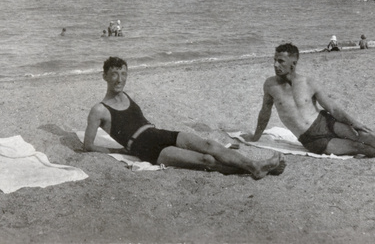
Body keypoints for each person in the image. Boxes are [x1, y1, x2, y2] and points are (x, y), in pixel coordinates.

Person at [83, 57, 286, 179]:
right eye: (114, 74)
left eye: (124, 74)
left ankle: (256, 166)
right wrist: (118, 149)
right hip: (144, 147)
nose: (120, 79)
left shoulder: (127, 95)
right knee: (205, 159)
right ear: (104, 76)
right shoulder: (99, 110)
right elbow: (88, 146)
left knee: (208, 144)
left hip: (158, 133)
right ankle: (258, 168)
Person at [244, 43, 375, 160]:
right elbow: (264, 113)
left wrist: (355, 123)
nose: (275, 65)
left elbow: (332, 108)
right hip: (311, 139)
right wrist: (256, 137)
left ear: (293, 63)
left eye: (280, 61)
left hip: (324, 121)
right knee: (358, 147)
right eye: (274, 60)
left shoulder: (308, 82)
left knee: (364, 134)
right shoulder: (270, 85)